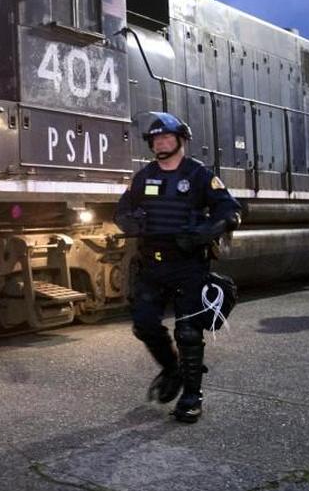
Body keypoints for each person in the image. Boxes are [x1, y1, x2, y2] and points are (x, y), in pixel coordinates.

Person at [113, 112, 242, 423]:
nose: (160, 143)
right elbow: (122, 210)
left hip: (188, 265)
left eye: (166, 137)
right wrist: (128, 222)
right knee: (144, 324)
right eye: (156, 139)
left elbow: (231, 210)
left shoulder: (199, 175)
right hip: (152, 264)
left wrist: (208, 231)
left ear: (181, 140)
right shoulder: (144, 177)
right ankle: (172, 369)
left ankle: (192, 397)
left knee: (188, 331)